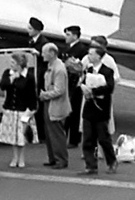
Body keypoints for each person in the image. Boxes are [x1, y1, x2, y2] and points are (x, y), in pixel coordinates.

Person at [79, 46, 119, 175]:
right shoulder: (88, 69)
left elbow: (109, 88)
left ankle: (111, 161)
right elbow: (82, 82)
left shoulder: (107, 71)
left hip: (101, 109)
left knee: (103, 138)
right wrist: (83, 87)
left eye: (91, 54)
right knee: (88, 139)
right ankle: (91, 165)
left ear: (98, 56)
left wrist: (94, 91)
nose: (88, 56)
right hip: (89, 108)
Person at [0, 53, 38, 168]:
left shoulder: (28, 76)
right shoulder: (7, 73)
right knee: (12, 136)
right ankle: (14, 157)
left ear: (20, 64)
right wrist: (11, 79)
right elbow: (2, 86)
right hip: (10, 108)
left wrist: (32, 109)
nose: (11, 65)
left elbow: (31, 94)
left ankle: (21, 158)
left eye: (13, 63)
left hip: (23, 109)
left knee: (21, 136)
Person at [38, 43, 71, 169]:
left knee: (56, 133)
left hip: (56, 105)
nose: (42, 55)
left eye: (44, 52)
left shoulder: (59, 69)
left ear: (52, 53)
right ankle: (53, 157)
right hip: (50, 104)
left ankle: (61, 159)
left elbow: (59, 90)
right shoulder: (52, 65)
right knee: (49, 132)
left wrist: (45, 95)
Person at [27, 17, 56, 145]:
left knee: (40, 104)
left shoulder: (43, 42)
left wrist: (37, 54)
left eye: (30, 28)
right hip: (34, 74)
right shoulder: (31, 41)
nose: (28, 31)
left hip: (40, 75)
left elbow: (45, 60)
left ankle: (42, 134)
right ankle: (37, 133)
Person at [63, 25, 91, 148]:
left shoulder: (81, 49)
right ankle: (64, 136)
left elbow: (81, 67)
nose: (66, 37)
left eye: (68, 35)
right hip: (67, 82)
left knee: (74, 111)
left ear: (75, 36)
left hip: (76, 83)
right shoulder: (66, 47)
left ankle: (74, 139)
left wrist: (72, 65)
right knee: (67, 110)